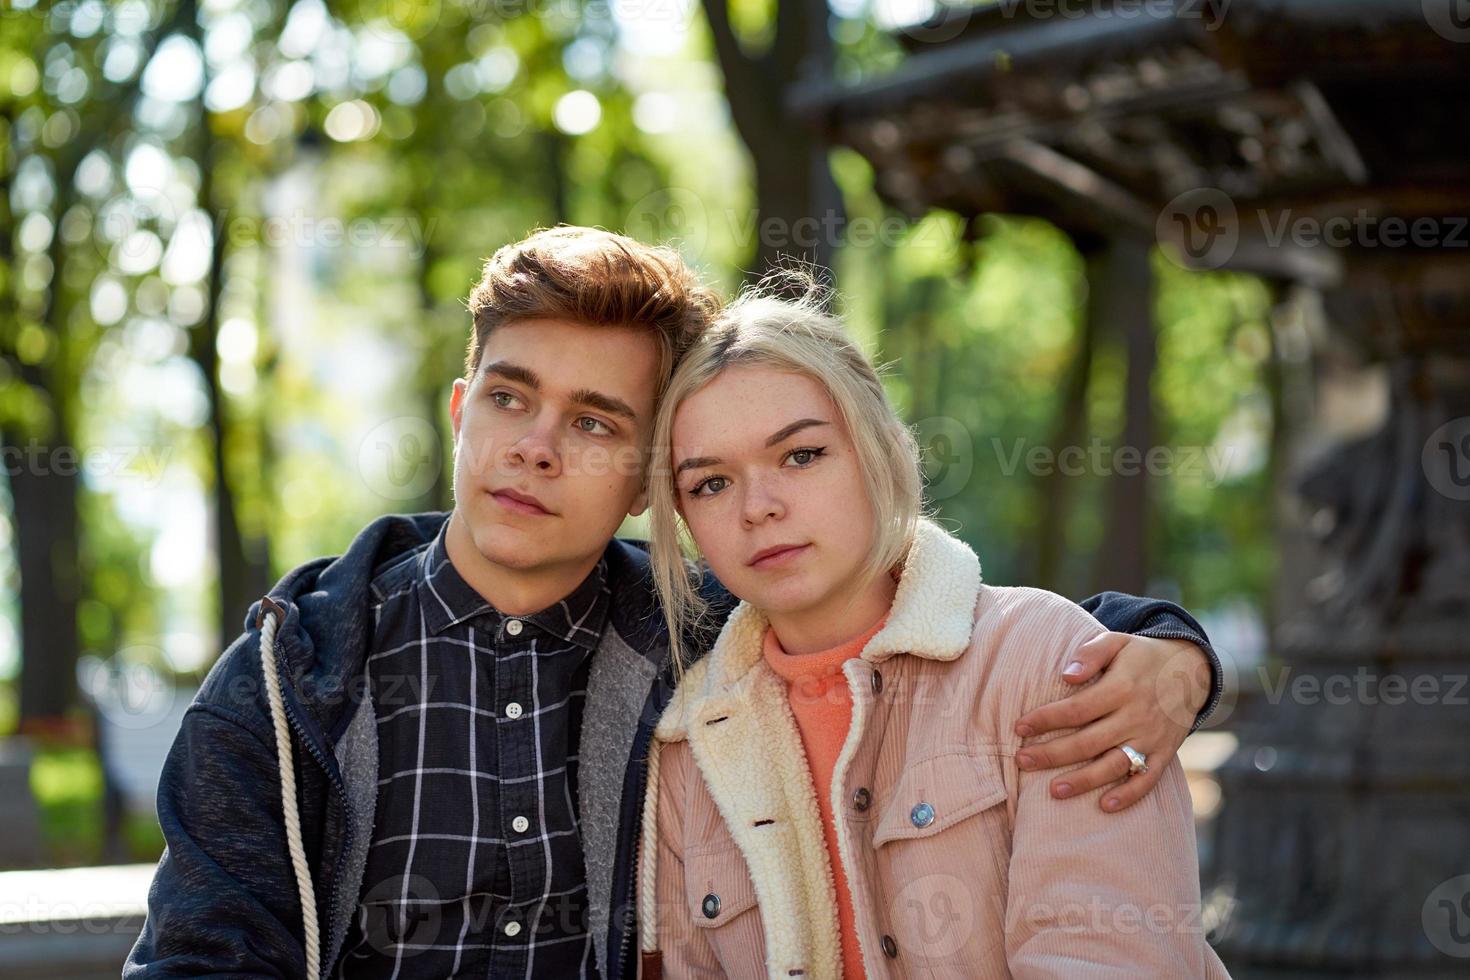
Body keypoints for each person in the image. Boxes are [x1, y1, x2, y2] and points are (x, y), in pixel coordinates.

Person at [125, 228, 1224, 979]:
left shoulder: (694, 636)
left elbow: (950, 621)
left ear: (648, 474)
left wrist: (1170, 649)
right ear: (463, 410)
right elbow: (200, 955)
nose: (536, 447)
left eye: (596, 421)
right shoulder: (294, 678)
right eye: (510, 398)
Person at [638, 276, 1231, 978]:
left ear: (880, 449)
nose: (758, 506)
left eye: (801, 455)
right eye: (711, 483)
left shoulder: (1048, 662)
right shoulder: (686, 746)